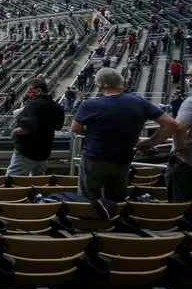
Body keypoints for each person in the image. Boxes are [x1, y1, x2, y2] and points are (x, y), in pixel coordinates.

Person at [72, 67, 177, 213]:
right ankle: (117, 230)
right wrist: (151, 142)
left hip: (93, 159)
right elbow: (171, 124)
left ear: (98, 84)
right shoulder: (139, 102)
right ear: (121, 83)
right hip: (123, 159)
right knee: (117, 199)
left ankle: (90, 229)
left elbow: (75, 129)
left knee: (88, 200)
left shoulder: (89, 105)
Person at [7, 78, 65, 177]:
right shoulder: (57, 107)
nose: (28, 93)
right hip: (44, 152)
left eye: (30, 90)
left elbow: (27, 127)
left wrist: (14, 132)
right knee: (37, 182)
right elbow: (58, 127)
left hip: (27, 150)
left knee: (12, 180)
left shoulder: (33, 104)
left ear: (38, 90)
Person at [167, 66, 192, 202]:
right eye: (188, 76)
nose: (189, 80)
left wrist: (179, 147)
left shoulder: (190, 103)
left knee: (183, 208)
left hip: (186, 164)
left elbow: (179, 128)